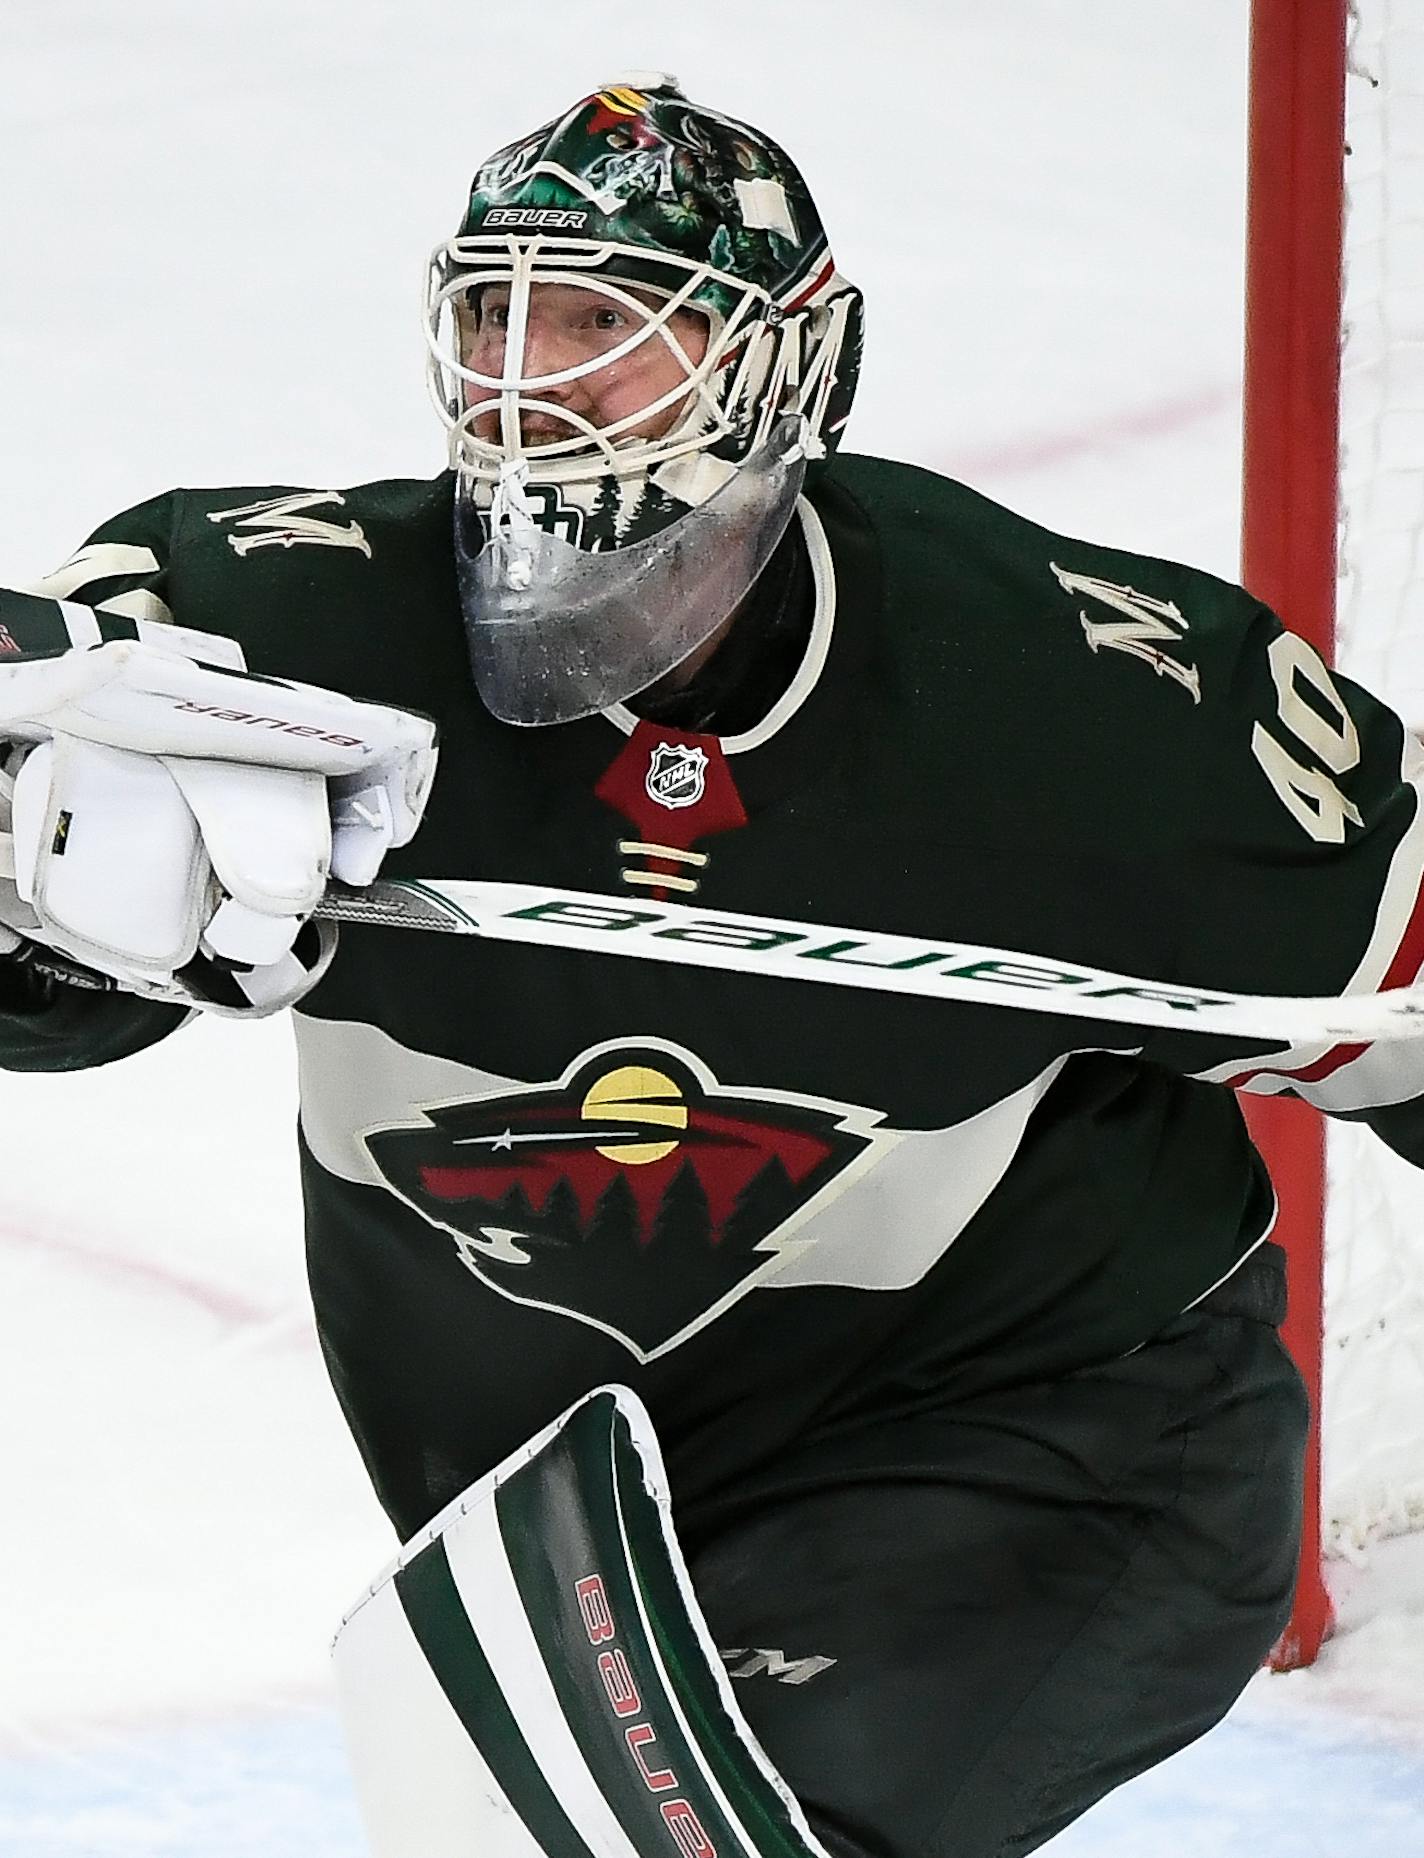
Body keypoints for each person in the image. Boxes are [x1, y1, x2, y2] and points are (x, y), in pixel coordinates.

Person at [0, 72, 1419, 1858]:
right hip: (584, 1523)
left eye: (607, 326)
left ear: (788, 370)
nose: (531, 382)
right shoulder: (285, 630)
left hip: (1050, 1448)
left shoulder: (1082, 709)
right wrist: (29, 872)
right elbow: (35, 852)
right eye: (499, 315)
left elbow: (1404, 993)